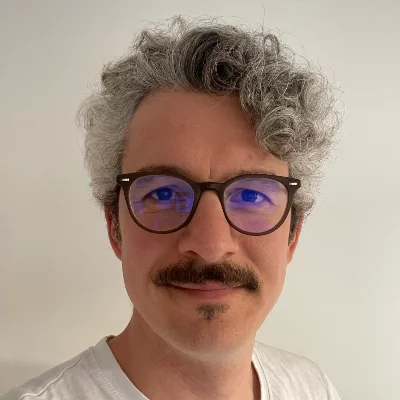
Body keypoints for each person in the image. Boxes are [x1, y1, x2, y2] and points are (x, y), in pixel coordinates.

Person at [1, 15, 342, 400]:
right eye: (163, 194)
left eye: (251, 196)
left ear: (293, 234)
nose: (211, 245)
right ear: (115, 226)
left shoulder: (313, 388)